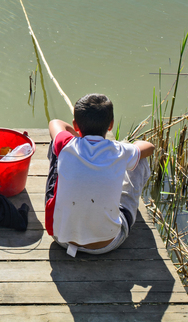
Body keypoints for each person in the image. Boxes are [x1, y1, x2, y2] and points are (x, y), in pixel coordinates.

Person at [45, 93, 154, 257]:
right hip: (107, 244)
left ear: (76, 124)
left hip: (62, 239)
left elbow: (55, 123)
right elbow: (150, 147)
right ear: (110, 125)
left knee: (56, 147)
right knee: (140, 160)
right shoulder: (120, 150)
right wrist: (128, 145)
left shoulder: (67, 144)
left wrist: (77, 137)